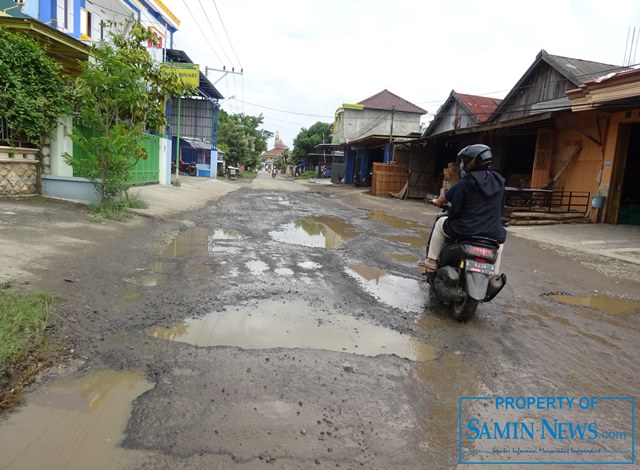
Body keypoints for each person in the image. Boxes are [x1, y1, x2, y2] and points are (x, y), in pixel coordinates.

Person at [423, 144, 507, 272]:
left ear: (471, 162)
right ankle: (493, 274)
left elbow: (455, 211)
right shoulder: (499, 182)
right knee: (499, 244)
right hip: (492, 233)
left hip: (466, 230)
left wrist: (452, 216)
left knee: (440, 223)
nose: (462, 164)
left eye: (464, 161)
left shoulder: (467, 182)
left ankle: (431, 261)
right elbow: (500, 210)